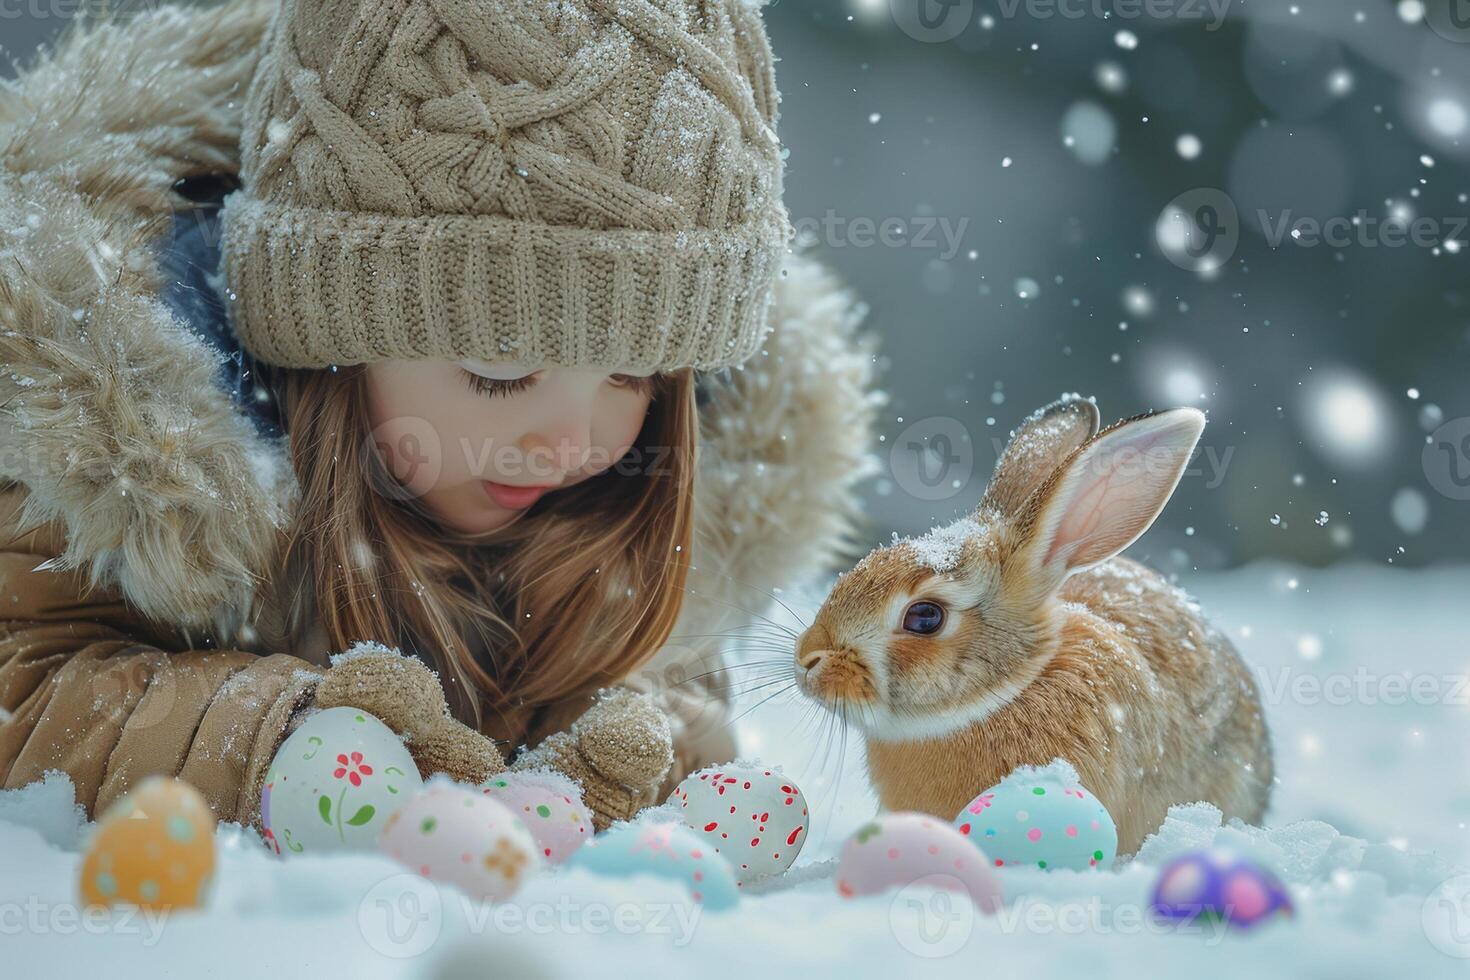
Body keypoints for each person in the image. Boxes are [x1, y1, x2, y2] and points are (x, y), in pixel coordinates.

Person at [0, 0, 877, 832]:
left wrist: (630, 727)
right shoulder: (89, 456)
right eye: (500, 371)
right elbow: (24, 691)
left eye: (633, 375)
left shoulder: (619, 517)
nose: (569, 443)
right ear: (320, 336)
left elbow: (681, 685)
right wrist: (283, 736)